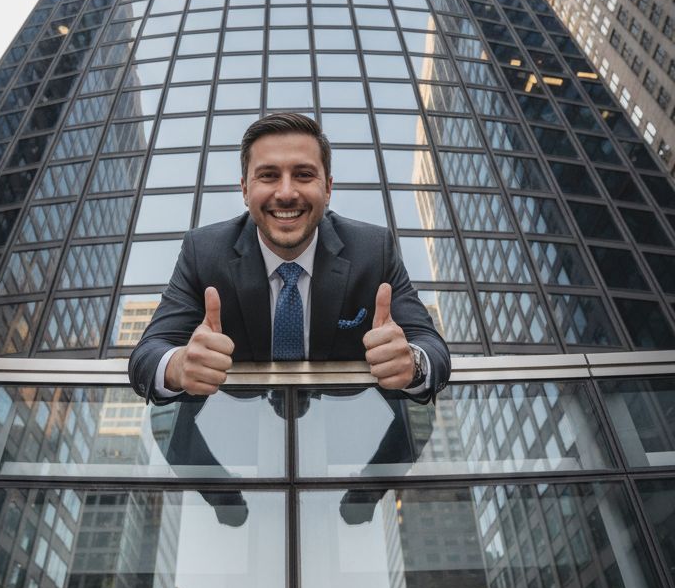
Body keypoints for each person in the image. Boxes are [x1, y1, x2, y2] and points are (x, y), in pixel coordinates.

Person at [129, 111, 450, 403]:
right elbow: (148, 355)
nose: (285, 193)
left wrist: (412, 361)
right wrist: (178, 365)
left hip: (361, 438)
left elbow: (432, 349)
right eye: (268, 175)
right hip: (219, 442)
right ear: (244, 189)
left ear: (327, 188)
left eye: (303, 175)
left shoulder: (373, 250)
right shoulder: (204, 252)